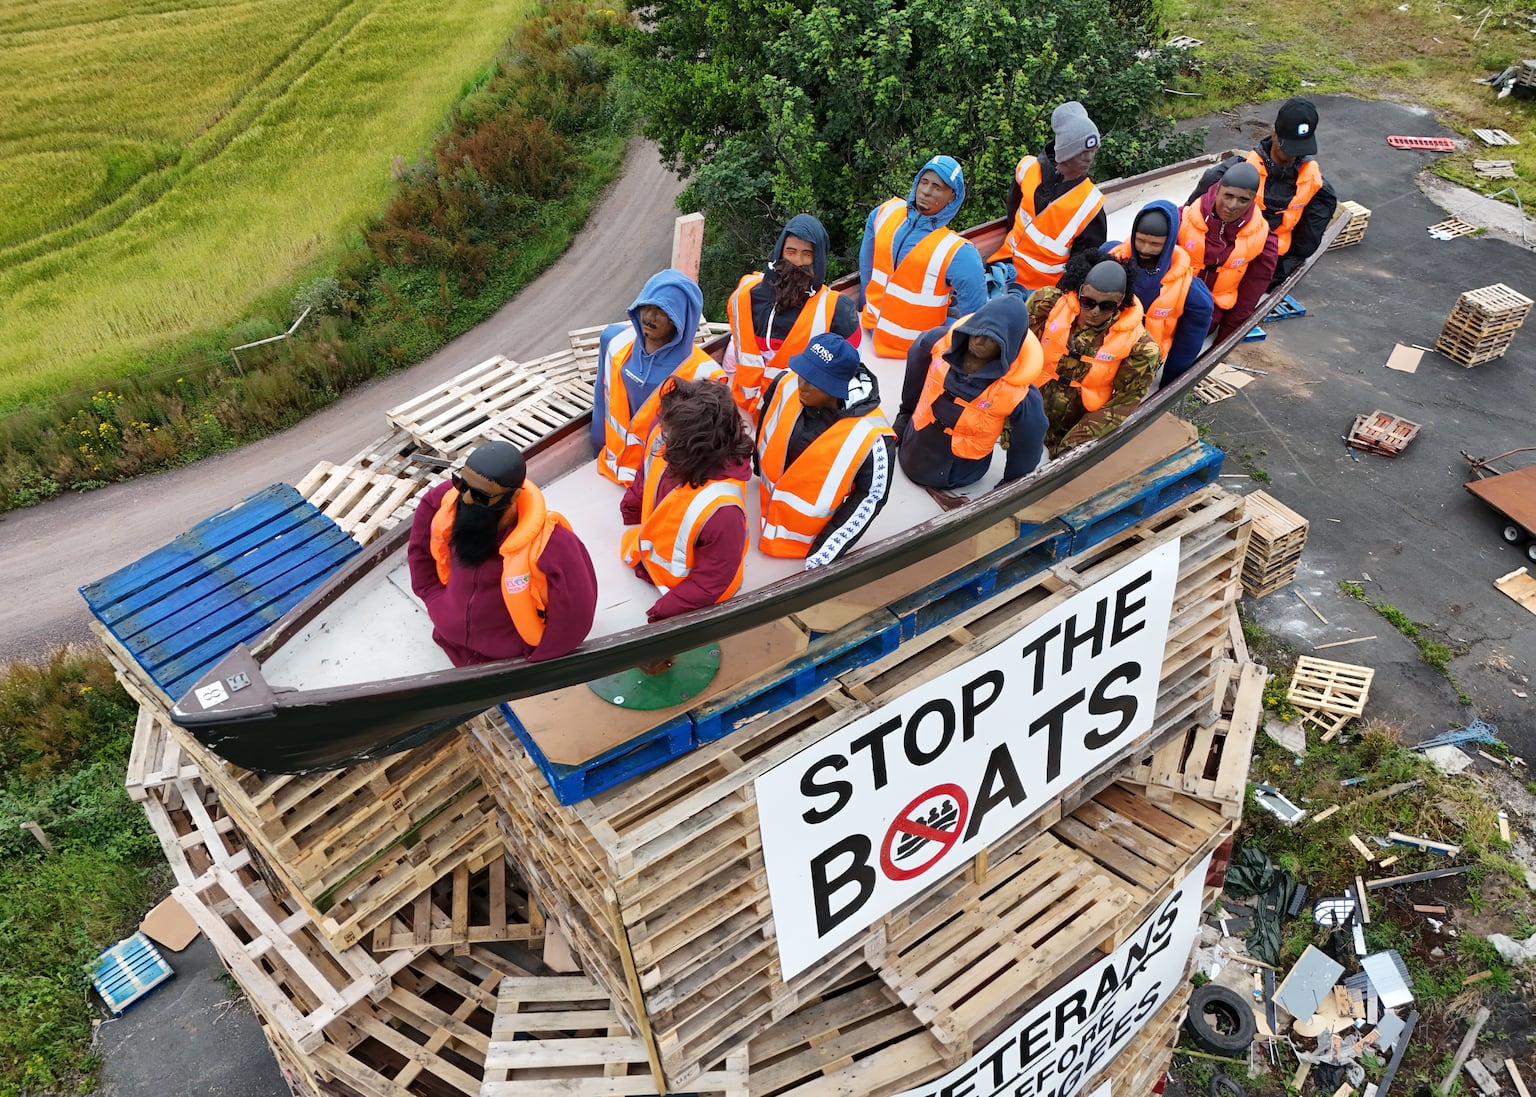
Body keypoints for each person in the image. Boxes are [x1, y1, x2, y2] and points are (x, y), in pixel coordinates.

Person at [407, 442, 597, 666]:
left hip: (506, 657)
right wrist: (432, 596)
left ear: (514, 496)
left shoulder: (553, 544)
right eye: (461, 484)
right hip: (447, 638)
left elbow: (577, 612)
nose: (466, 499)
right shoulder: (444, 501)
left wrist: (538, 660)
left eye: (481, 496)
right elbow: (420, 547)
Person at [754, 334, 894, 567]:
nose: (803, 385)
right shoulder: (784, 384)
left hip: (803, 547)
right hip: (760, 514)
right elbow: (764, 424)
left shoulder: (874, 438)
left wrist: (824, 553)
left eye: (815, 381)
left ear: (837, 387)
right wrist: (756, 467)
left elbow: (870, 499)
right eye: (803, 374)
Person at [620, 379, 752, 622]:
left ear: (694, 447)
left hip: (681, 594)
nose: (661, 436)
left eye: (669, 436)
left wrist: (663, 611)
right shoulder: (666, 437)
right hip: (649, 566)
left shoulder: (724, 513)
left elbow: (712, 582)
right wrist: (630, 510)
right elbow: (645, 476)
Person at [893, 295, 1048, 491]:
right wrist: (906, 412)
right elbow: (916, 358)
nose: (979, 342)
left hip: (959, 471)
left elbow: (1031, 437)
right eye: (977, 331)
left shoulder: (1019, 394)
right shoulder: (937, 342)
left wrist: (1012, 482)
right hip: (915, 441)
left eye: (991, 340)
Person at [592, 269, 724, 487]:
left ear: (679, 319)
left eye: (662, 312)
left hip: (657, 480)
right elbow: (601, 399)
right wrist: (597, 446)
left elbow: (702, 446)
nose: (649, 317)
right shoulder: (616, 343)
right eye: (646, 306)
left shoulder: (705, 375)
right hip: (610, 469)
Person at [1187, 97, 1337, 288]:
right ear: (1275, 134)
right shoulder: (1225, 177)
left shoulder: (1317, 187)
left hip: (1271, 266)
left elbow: (1305, 244)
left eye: (1300, 149)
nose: (1293, 155)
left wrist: (1269, 277)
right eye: (1288, 148)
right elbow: (1190, 222)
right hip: (1221, 263)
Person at [1026, 252, 1162, 457]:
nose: (1095, 311)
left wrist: (1072, 446)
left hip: (1073, 427)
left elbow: (1123, 402)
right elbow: (1016, 354)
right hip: (1026, 410)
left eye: (1106, 306)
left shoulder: (1141, 349)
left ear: (1121, 304)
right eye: (1088, 302)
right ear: (1079, 292)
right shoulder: (1045, 304)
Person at [727, 214, 862, 419]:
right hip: (743, 407)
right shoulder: (747, 294)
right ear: (780, 251)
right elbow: (737, 346)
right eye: (791, 251)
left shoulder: (838, 310)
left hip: (797, 413)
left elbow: (847, 367)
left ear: (818, 258)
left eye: (807, 254)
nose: (798, 262)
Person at [858, 156, 988, 358]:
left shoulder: (959, 253)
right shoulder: (884, 213)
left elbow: (974, 318)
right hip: (869, 328)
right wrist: (862, 304)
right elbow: (867, 265)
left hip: (914, 352)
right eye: (924, 182)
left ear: (952, 197)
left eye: (937, 187)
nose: (926, 191)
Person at [989, 101, 1108, 292]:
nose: (1089, 158)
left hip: (1041, 293)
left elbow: (1083, 266)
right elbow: (1013, 210)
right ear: (1066, 151)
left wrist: (1053, 300)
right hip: (1002, 270)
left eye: (1093, 151)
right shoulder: (1028, 168)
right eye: (1084, 151)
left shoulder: (1090, 205)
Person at [1106, 201, 1215, 388]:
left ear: (1169, 242)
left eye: (1155, 244)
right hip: (1102, 352)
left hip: (1140, 363)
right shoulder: (1109, 256)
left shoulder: (1190, 291)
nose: (1145, 249)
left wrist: (1169, 384)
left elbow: (1187, 345)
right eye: (1140, 240)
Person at [1177, 163, 1279, 343]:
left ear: (1253, 199)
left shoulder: (1263, 239)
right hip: (1173, 301)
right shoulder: (1182, 218)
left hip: (1210, 313)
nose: (1232, 205)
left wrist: (1223, 340)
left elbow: (1250, 293)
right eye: (1228, 196)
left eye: (1243, 200)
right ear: (1217, 191)